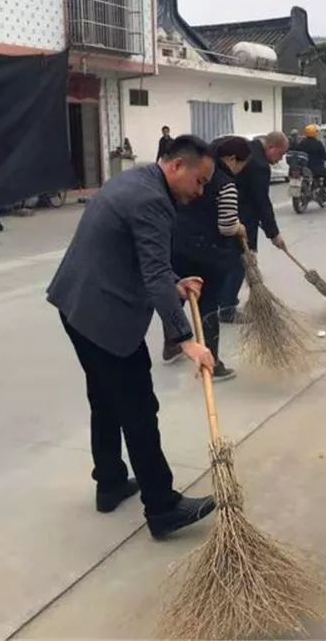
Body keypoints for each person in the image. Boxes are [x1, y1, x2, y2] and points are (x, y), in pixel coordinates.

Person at [46, 135, 218, 538]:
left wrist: (176, 282)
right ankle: (162, 508)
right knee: (139, 409)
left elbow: (144, 260)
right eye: (200, 181)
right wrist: (185, 338)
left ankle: (109, 483)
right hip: (104, 316)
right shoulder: (152, 202)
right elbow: (154, 272)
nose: (201, 191)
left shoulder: (136, 180)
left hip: (77, 305)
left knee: (104, 399)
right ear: (177, 167)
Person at [162, 135, 253, 379]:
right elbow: (226, 225)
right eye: (242, 164)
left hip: (178, 245)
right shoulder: (225, 184)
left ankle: (172, 345)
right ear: (232, 159)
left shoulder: (186, 179)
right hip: (208, 253)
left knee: (177, 296)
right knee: (208, 305)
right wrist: (240, 228)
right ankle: (211, 364)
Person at [220, 131, 288, 323]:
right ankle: (227, 309)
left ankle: (223, 303)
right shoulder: (259, 165)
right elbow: (262, 203)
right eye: (280, 154)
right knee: (239, 264)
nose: (280, 159)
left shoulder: (249, 150)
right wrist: (274, 234)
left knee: (229, 262)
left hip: (228, 215)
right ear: (271, 147)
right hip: (240, 220)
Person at [299, 124, 326, 189]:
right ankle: (324, 190)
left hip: (303, 167)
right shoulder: (318, 143)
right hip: (315, 168)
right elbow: (324, 155)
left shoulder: (302, 143)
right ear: (315, 133)